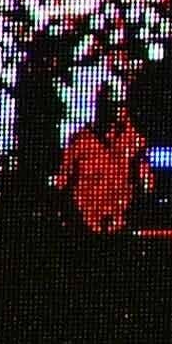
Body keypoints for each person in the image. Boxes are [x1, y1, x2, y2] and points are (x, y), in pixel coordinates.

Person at [54, 87, 150, 241]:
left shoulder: (133, 141)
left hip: (121, 228)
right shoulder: (81, 141)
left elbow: (146, 184)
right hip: (84, 229)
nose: (117, 112)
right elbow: (62, 183)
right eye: (110, 106)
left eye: (119, 106)